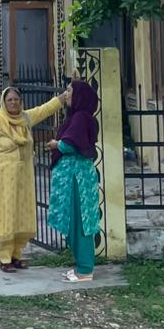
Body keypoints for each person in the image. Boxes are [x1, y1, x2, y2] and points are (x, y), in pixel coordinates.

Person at [0, 84, 70, 272]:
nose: (13, 103)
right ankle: (4, 258)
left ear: (21, 102)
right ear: (4, 103)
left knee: (22, 215)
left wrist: (64, 96)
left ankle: (17, 255)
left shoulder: (25, 119)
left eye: (16, 99)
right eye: (9, 100)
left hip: (24, 179)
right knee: (6, 216)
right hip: (3, 181)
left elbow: (45, 109)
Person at [45, 79, 102, 283]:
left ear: (79, 96)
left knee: (80, 222)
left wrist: (56, 144)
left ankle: (85, 270)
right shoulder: (81, 117)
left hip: (77, 179)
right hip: (77, 178)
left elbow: (71, 145)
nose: (66, 94)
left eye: (69, 91)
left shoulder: (80, 118)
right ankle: (81, 266)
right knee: (76, 221)